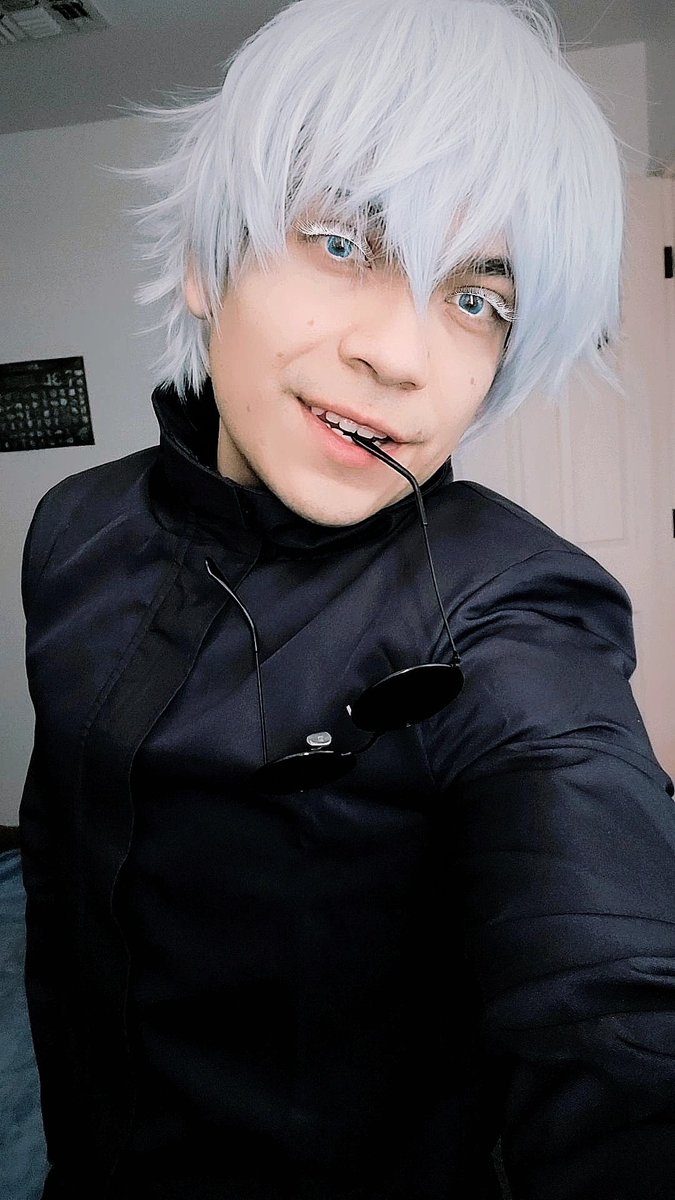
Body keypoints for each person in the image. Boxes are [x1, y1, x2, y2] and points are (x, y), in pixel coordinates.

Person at [19, 0, 675, 1197]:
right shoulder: (71, 529)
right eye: (342, 241)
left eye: (476, 300)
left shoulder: (512, 611)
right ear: (205, 263)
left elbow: (615, 1012)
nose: (404, 356)